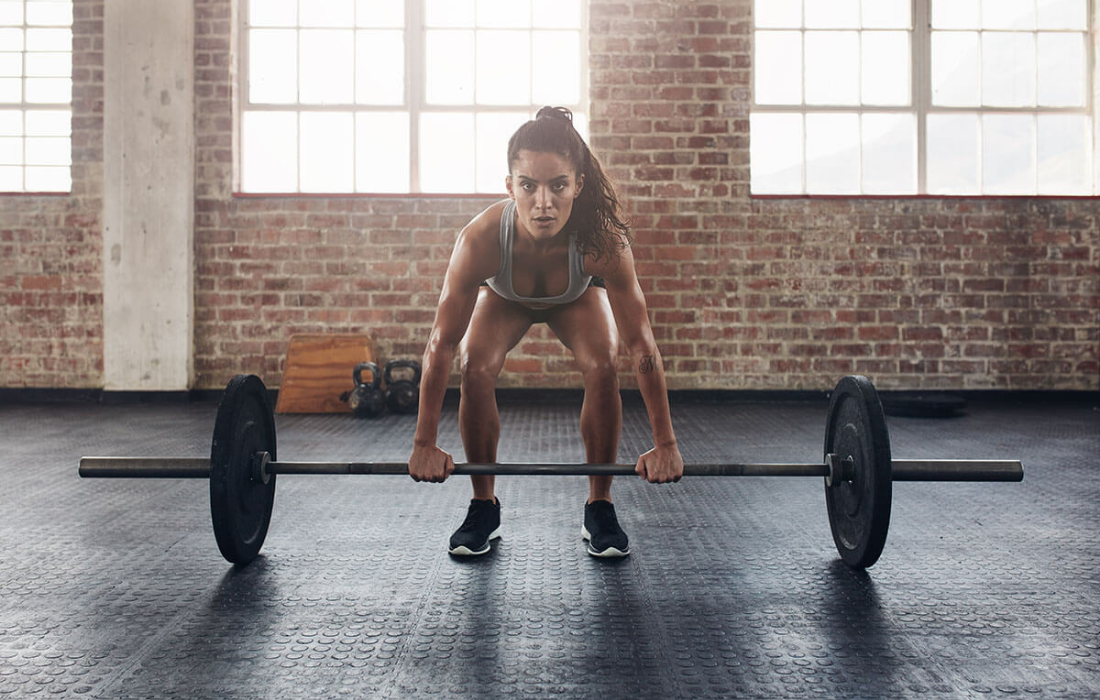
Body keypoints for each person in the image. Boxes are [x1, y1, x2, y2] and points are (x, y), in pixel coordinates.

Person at [408, 106, 683, 558]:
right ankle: (483, 506)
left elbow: (642, 345)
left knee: (602, 364)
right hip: (505, 299)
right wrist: (423, 443)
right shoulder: (478, 241)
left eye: (558, 186)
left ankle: (600, 505)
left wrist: (666, 444)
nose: (543, 203)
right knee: (474, 365)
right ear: (509, 186)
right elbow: (441, 345)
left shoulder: (604, 243)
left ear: (578, 184)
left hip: (576, 297)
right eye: (528, 186)